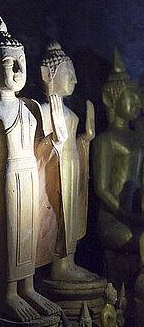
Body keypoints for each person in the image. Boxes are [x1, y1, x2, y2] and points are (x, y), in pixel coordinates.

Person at [0, 17, 66, 322]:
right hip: (6, 177)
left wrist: (57, 139)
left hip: (30, 176)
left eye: (21, 62)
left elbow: (42, 151)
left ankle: (28, 287)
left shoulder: (31, 107)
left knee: (31, 232)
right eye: (9, 63)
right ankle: (9, 294)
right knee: (9, 233)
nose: (17, 70)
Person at [40, 42, 96, 281]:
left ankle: (69, 262)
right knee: (59, 217)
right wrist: (53, 141)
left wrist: (86, 139)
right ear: (47, 74)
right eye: (68, 73)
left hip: (73, 168)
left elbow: (74, 144)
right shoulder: (43, 111)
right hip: (56, 170)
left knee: (72, 216)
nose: (74, 80)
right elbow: (37, 149)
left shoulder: (71, 114)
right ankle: (59, 266)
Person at [92, 47, 144, 253]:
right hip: (113, 217)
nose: (139, 103)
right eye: (132, 97)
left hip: (136, 211)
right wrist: (127, 215)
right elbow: (102, 189)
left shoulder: (138, 138)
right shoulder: (106, 140)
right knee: (130, 237)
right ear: (109, 99)